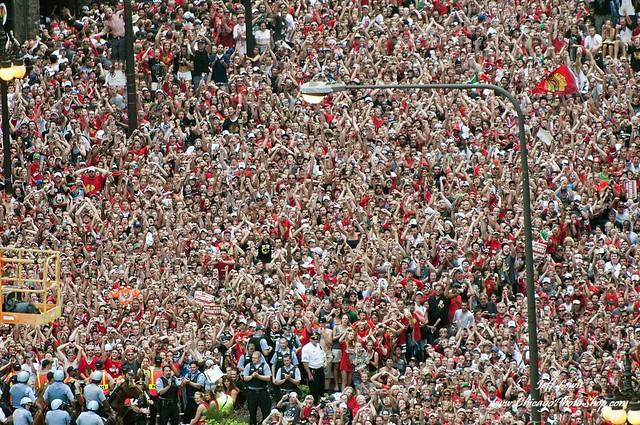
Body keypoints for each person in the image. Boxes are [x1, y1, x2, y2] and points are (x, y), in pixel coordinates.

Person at [243, 351, 271, 425]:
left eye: (255, 358)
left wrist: (258, 376)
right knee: (252, 411)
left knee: (265, 411)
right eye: (252, 358)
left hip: (262, 391)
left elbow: (268, 378)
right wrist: (252, 376)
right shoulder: (249, 365)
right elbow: (245, 378)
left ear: (260, 358)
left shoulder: (265, 365)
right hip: (252, 392)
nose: (253, 359)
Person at [301, 334, 325, 403]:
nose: (315, 340)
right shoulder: (306, 348)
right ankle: (314, 404)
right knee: (314, 389)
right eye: (313, 339)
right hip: (312, 370)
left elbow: (323, 354)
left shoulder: (318, 345)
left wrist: (325, 361)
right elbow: (305, 362)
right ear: (310, 339)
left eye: (316, 339)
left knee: (321, 387)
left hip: (320, 368)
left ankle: (321, 403)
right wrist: (309, 373)